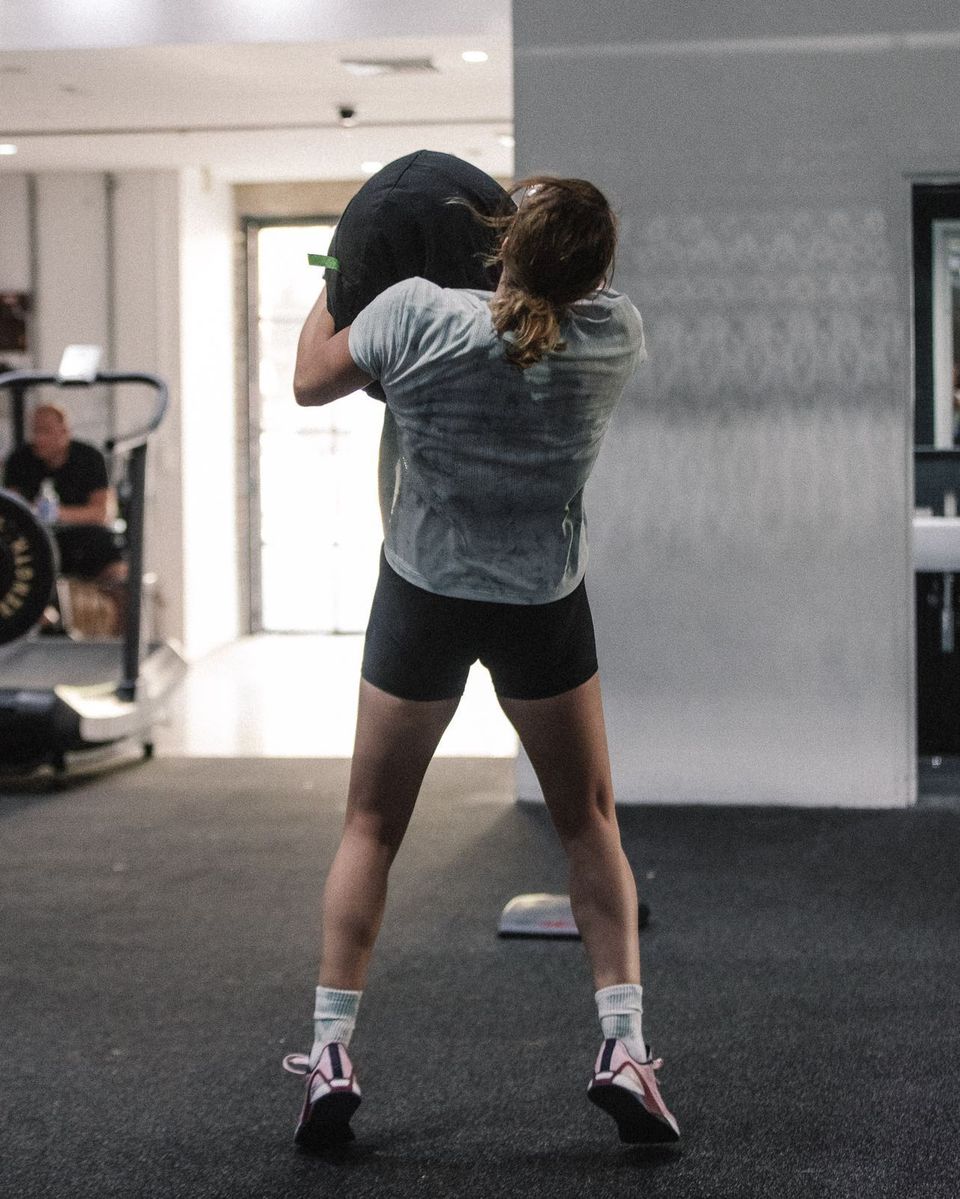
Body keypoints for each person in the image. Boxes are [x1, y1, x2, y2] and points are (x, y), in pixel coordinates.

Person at [282, 175, 680, 1150]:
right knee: (589, 824)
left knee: (371, 823)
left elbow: (308, 377)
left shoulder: (412, 314)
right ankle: (623, 1046)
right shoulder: (615, 334)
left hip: (423, 597)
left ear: (506, 238)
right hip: (541, 606)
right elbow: (536, 316)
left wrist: (343, 268)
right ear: (596, 269)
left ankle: (332, 1050)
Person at [3, 404, 127, 624]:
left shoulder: (89, 458)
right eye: (36, 431)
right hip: (39, 542)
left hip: (84, 538)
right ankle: (37, 626)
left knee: (116, 569)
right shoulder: (20, 460)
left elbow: (103, 513)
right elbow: (12, 514)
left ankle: (124, 632)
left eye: (46, 432)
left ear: (64, 432)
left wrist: (57, 513)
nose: (39, 439)